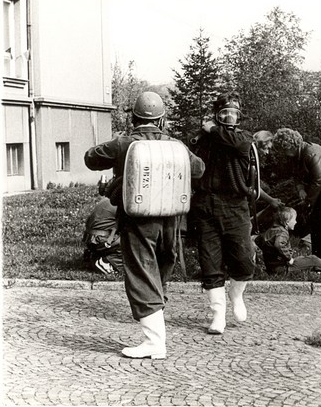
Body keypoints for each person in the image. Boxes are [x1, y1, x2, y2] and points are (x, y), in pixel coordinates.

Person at [84, 91, 205, 359]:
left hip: (137, 219)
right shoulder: (176, 145)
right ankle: (156, 326)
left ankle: (155, 342)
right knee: (160, 268)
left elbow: (91, 158)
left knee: (140, 272)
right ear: (162, 120)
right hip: (171, 219)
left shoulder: (124, 143)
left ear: (134, 119)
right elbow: (198, 169)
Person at [189, 91, 257, 335]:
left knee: (244, 260)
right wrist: (205, 132)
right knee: (210, 263)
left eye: (233, 113)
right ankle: (218, 314)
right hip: (206, 207)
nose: (229, 117)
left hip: (235, 207)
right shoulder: (204, 139)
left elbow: (240, 145)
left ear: (240, 116)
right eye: (224, 112)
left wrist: (212, 130)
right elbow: (192, 156)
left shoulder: (243, 138)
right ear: (216, 114)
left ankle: (236, 295)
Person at [272, 128, 321, 265]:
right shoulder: (294, 156)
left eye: (283, 149)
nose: (282, 153)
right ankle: (318, 260)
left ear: (290, 145)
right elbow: (296, 176)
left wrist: (309, 202)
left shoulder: (311, 153)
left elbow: (318, 180)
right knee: (315, 222)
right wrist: (300, 189)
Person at [255, 206, 321, 276]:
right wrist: (288, 258)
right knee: (313, 259)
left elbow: (258, 240)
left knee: (306, 259)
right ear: (287, 222)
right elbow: (278, 244)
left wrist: (271, 255)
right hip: (282, 269)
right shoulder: (282, 232)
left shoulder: (271, 230)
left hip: (273, 268)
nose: (296, 222)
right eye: (294, 220)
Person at [83, 196, 123, 275]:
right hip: (101, 239)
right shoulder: (123, 203)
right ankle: (107, 263)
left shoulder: (108, 199)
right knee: (132, 243)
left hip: (91, 239)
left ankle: (93, 257)